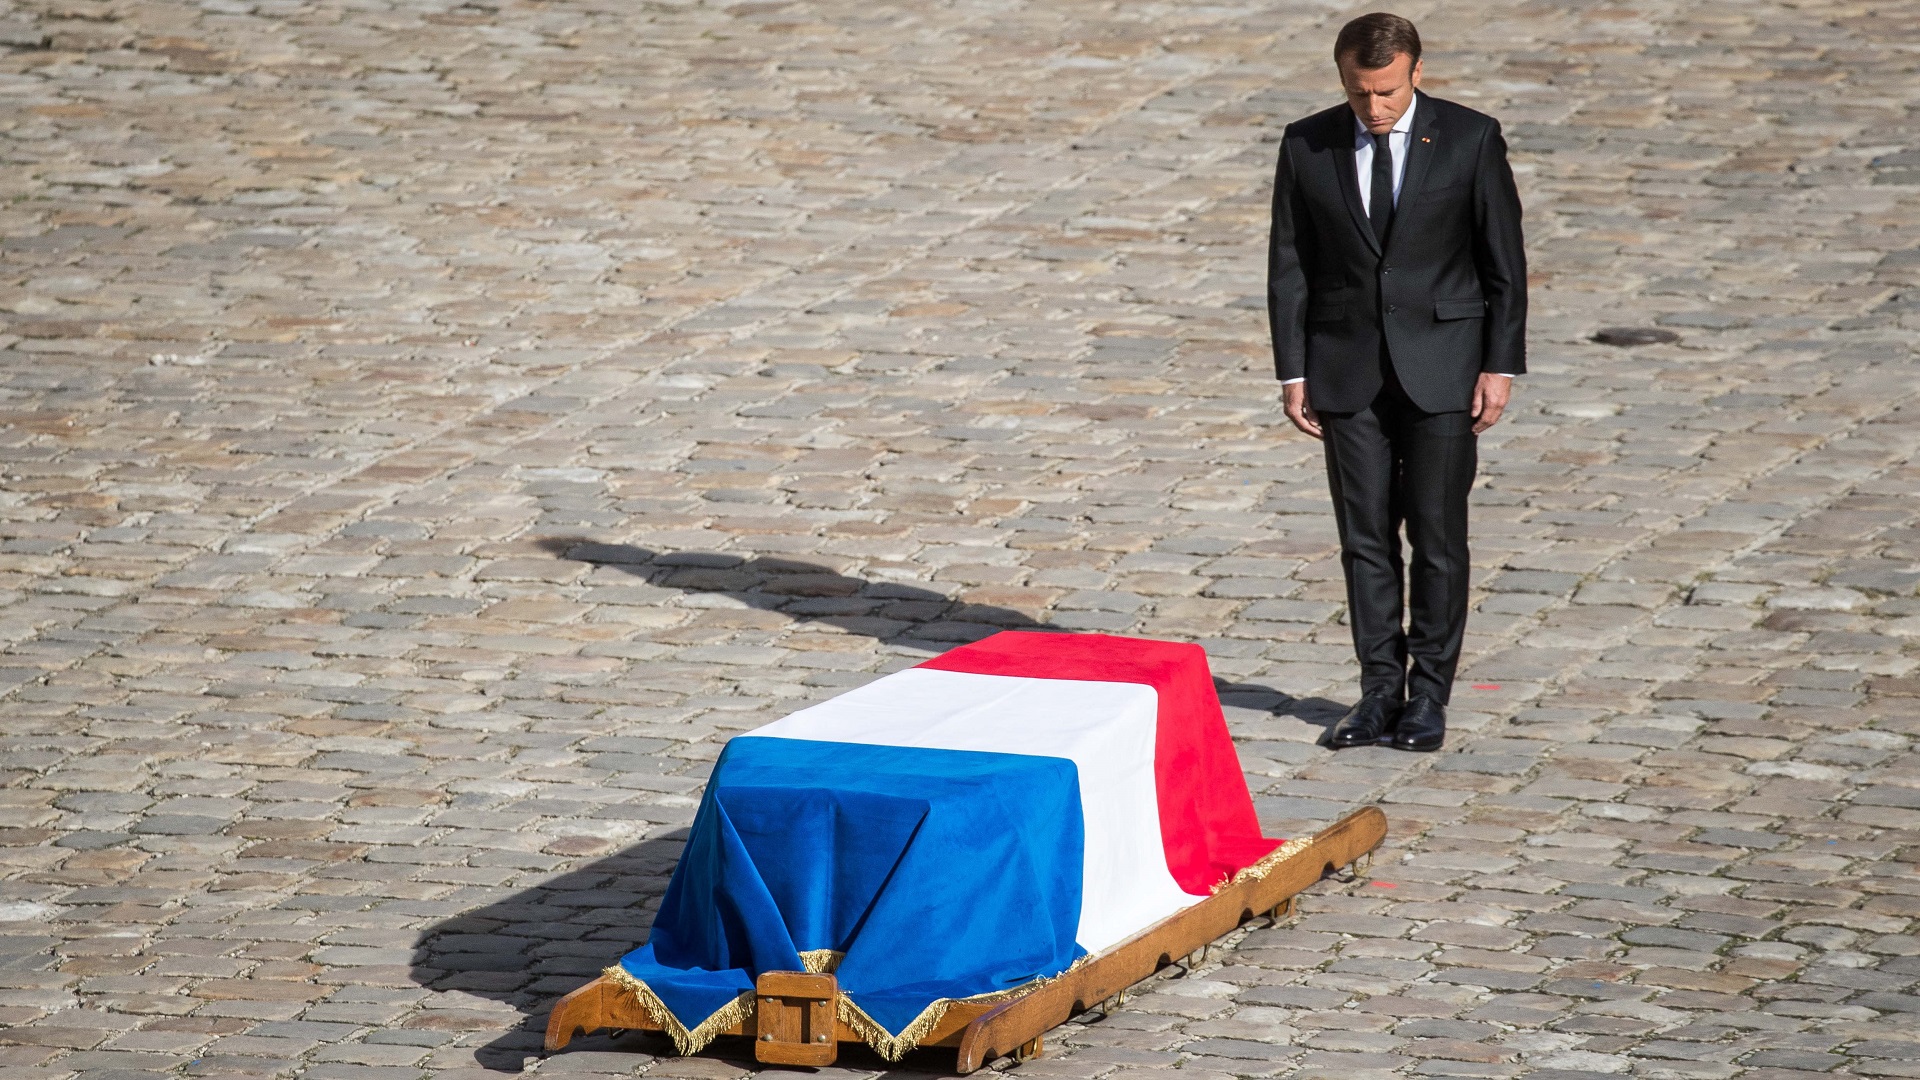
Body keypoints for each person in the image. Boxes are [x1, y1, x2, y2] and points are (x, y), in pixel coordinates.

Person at [1266, 12, 1525, 752]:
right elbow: (1290, 265)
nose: (1373, 108)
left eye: (1384, 91)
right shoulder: (1307, 143)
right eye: (1358, 91)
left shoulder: (1471, 138)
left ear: (1416, 72)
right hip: (1345, 372)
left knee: (1438, 539)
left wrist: (1498, 365)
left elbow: (1503, 261)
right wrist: (1294, 369)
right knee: (1366, 540)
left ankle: (1428, 698)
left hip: (1445, 368)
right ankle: (1379, 692)